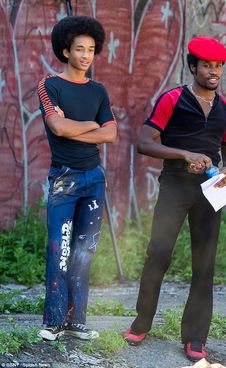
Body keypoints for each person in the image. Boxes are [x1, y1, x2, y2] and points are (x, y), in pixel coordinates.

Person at [124, 36, 226, 362]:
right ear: (193, 66)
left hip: (210, 190)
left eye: (218, 67)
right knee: (158, 253)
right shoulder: (173, 99)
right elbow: (144, 142)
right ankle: (142, 321)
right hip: (175, 185)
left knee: (205, 264)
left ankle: (195, 338)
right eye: (206, 65)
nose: (213, 72)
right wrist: (183, 153)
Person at [37, 15, 117, 341]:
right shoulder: (50, 85)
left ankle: (76, 321)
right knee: (61, 249)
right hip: (64, 179)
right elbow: (57, 128)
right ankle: (53, 321)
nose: (86, 56)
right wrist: (91, 127)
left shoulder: (98, 91)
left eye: (91, 50)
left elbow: (110, 134)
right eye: (79, 49)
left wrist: (77, 126)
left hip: (94, 179)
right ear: (66, 50)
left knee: (85, 252)